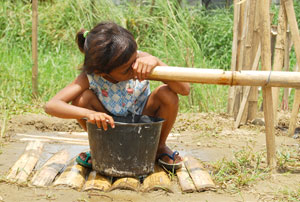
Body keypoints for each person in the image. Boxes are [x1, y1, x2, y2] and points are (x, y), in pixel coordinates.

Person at [44, 22, 190, 170]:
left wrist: (155, 61)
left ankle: (159, 147)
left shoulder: (141, 61)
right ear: (102, 72)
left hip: (144, 124)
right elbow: (51, 106)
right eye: (127, 69)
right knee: (82, 99)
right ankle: (101, 148)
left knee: (167, 94)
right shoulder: (92, 76)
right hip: (110, 128)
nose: (135, 68)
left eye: (135, 60)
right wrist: (90, 114)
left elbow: (184, 89)